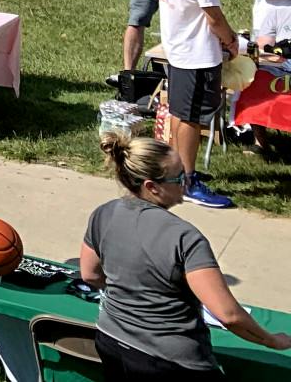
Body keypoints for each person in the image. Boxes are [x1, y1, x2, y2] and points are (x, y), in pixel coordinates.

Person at [82, 131, 291, 376]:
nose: (186, 181)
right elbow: (229, 315)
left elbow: (90, 274)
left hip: (111, 342)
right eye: (180, 176)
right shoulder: (185, 238)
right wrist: (272, 341)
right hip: (173, 363)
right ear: (152, 187)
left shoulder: (103, 213)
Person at [157, 0, 240, 209]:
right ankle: (189, 181)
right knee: (192, 119)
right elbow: (213, 16)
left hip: (177, 44)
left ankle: (179, 170)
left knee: (180, 113)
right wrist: (231, 41)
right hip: (197, 53)